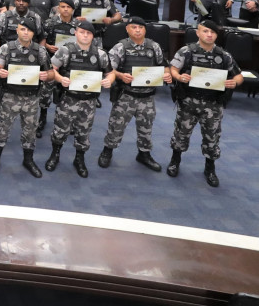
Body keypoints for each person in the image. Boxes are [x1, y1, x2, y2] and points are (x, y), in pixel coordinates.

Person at [167, 20, 243, 187]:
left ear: (217, 35)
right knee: (181, 133)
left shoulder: (224, 55)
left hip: (213, 104)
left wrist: (235, 82)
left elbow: (238, 75)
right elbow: (173, 69)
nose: (209, 35)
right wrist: (179, 77)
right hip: (189, 101)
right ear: (198, 33)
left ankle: (210, 168)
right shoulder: (186, 51)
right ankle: (175, 161)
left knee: (212, 137)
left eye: (213, 32)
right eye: (206, 31)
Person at [99, 16, 172, 172]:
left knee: (146, 127)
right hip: (126, 95)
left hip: (147, 96)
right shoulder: (121, 47)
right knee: (116, 126)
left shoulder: (154, 47)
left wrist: (167, 75)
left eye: (140, 27)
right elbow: (108, 69)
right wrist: (120, 76)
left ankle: (144, 154)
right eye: (133, 27)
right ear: (127, 29)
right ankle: (108, 151)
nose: (137, 30)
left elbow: (163, 66)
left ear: (145, 29)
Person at [45, 22, 112, 178]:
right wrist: (61, 78)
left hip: (89, 101)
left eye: (89, 33)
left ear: (93, 36)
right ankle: (55, 155)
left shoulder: (100, 54)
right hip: (68, 98)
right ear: (76, 33)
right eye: (82, 32)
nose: (85, 35)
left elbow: (110, 73)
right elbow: (51, 70)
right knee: (60, 130)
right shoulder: (66, 50)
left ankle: (79, 159)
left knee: (84, 132)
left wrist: (109, 80)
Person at [0, 17, 51, 178]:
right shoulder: (6, 48)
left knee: (30, 132)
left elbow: (51, 72)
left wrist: (46, 75)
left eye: (29, 30)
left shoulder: (40, 51)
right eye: (22, 29)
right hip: (10, 96)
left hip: (31, 98)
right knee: (2, 130)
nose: (26, 32)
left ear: (34, 33)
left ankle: (28, 160)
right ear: (17, 30)